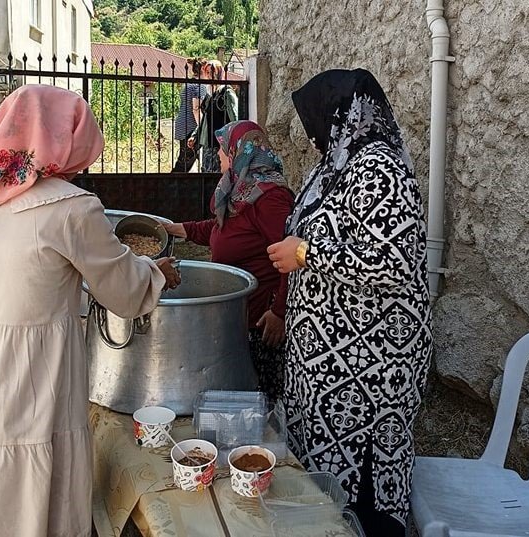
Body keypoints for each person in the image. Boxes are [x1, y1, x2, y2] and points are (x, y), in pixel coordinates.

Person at [0, 85, 180, 537]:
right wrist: (156, 272)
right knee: (28, 500)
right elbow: (125, 291)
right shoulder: (70, 207)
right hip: (30, 375)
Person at [266, 69, 432, 534]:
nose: (311, 129)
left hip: (368, 367)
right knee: (323, 488)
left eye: (315, 116)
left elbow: (394, 262)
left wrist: (304, 252)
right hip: (328, 361)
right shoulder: (338, 163)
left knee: (362, 490)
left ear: (339, 113)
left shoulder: (380, 169)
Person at [163, 120, 293, 401]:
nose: (219, 155)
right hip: (238, 313)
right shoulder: (239, 187)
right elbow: (221, 229)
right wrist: (174, 228)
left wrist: (280, 311)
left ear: (239, 151)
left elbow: (290, 255)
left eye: (223, 150)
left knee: (260, 396)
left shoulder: (270, 197)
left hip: (262, 318)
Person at [190, 60, 239, 173]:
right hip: (208, 144)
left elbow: (235, 119)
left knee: (218, 178)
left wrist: (233, 143)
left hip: (221, 145)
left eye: (212, 72)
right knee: (206, 177)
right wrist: (196, 135)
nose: (209, 75)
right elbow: (205, 120)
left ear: (219, 73)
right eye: (207, 72)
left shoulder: (226, 93)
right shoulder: (210, 95)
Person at [171, 57, 210, 172]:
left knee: (188, 158)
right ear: (203, 69)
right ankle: (170, 184)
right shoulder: (200, 86)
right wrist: (203, 127)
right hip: (191, 127)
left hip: (182, 124)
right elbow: (196, 108)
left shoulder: (188, 84)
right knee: (185, 162)